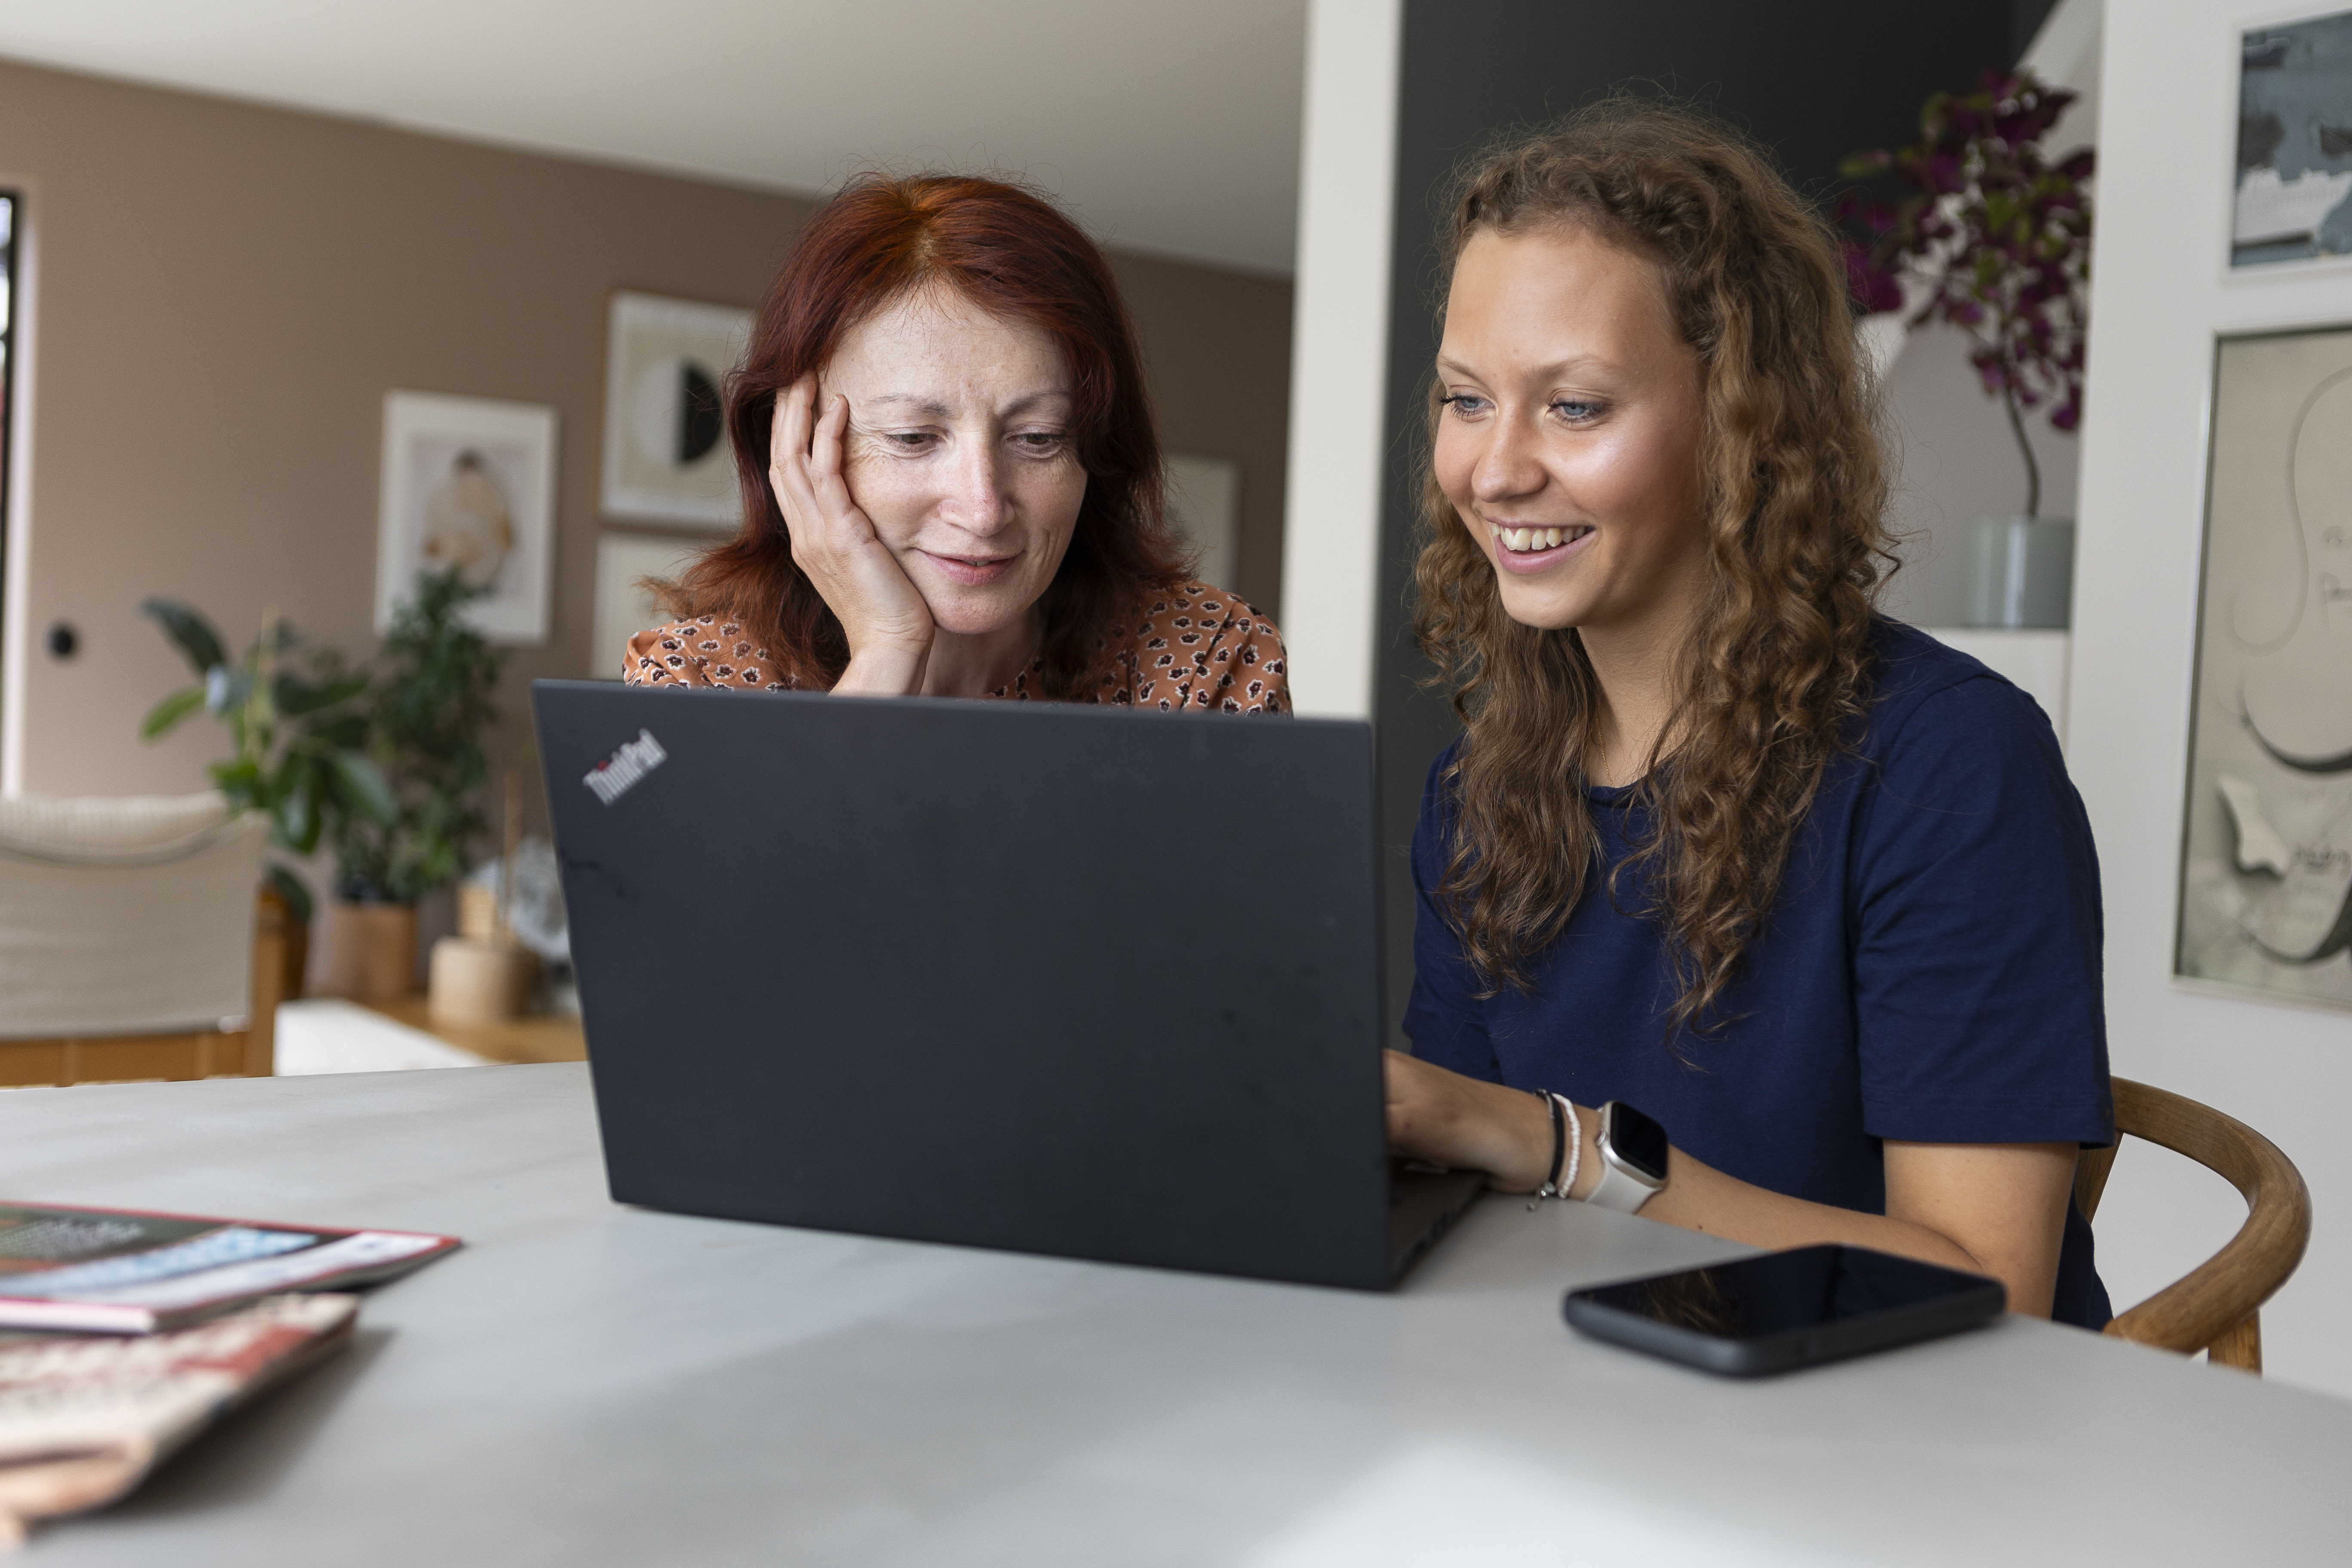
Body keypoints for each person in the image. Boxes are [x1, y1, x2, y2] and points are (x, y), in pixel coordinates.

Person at [1381, 104, 2114, 1326]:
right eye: (1467, 399)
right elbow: (1454, 1190)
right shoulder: (1480, 786)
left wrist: (1570, 1153)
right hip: (1582, 1419)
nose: (1495, 470)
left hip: (1902, 1454)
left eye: (1574, 407)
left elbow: (1991, 1289)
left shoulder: (1950, 768)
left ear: (1742, 428)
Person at [627, 173, 1287, 714]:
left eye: (1039, 438)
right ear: (796, 444)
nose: (983, 509)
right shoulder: (698, 682)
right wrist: (886, 654)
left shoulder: (1206, 662)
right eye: (914, 437)